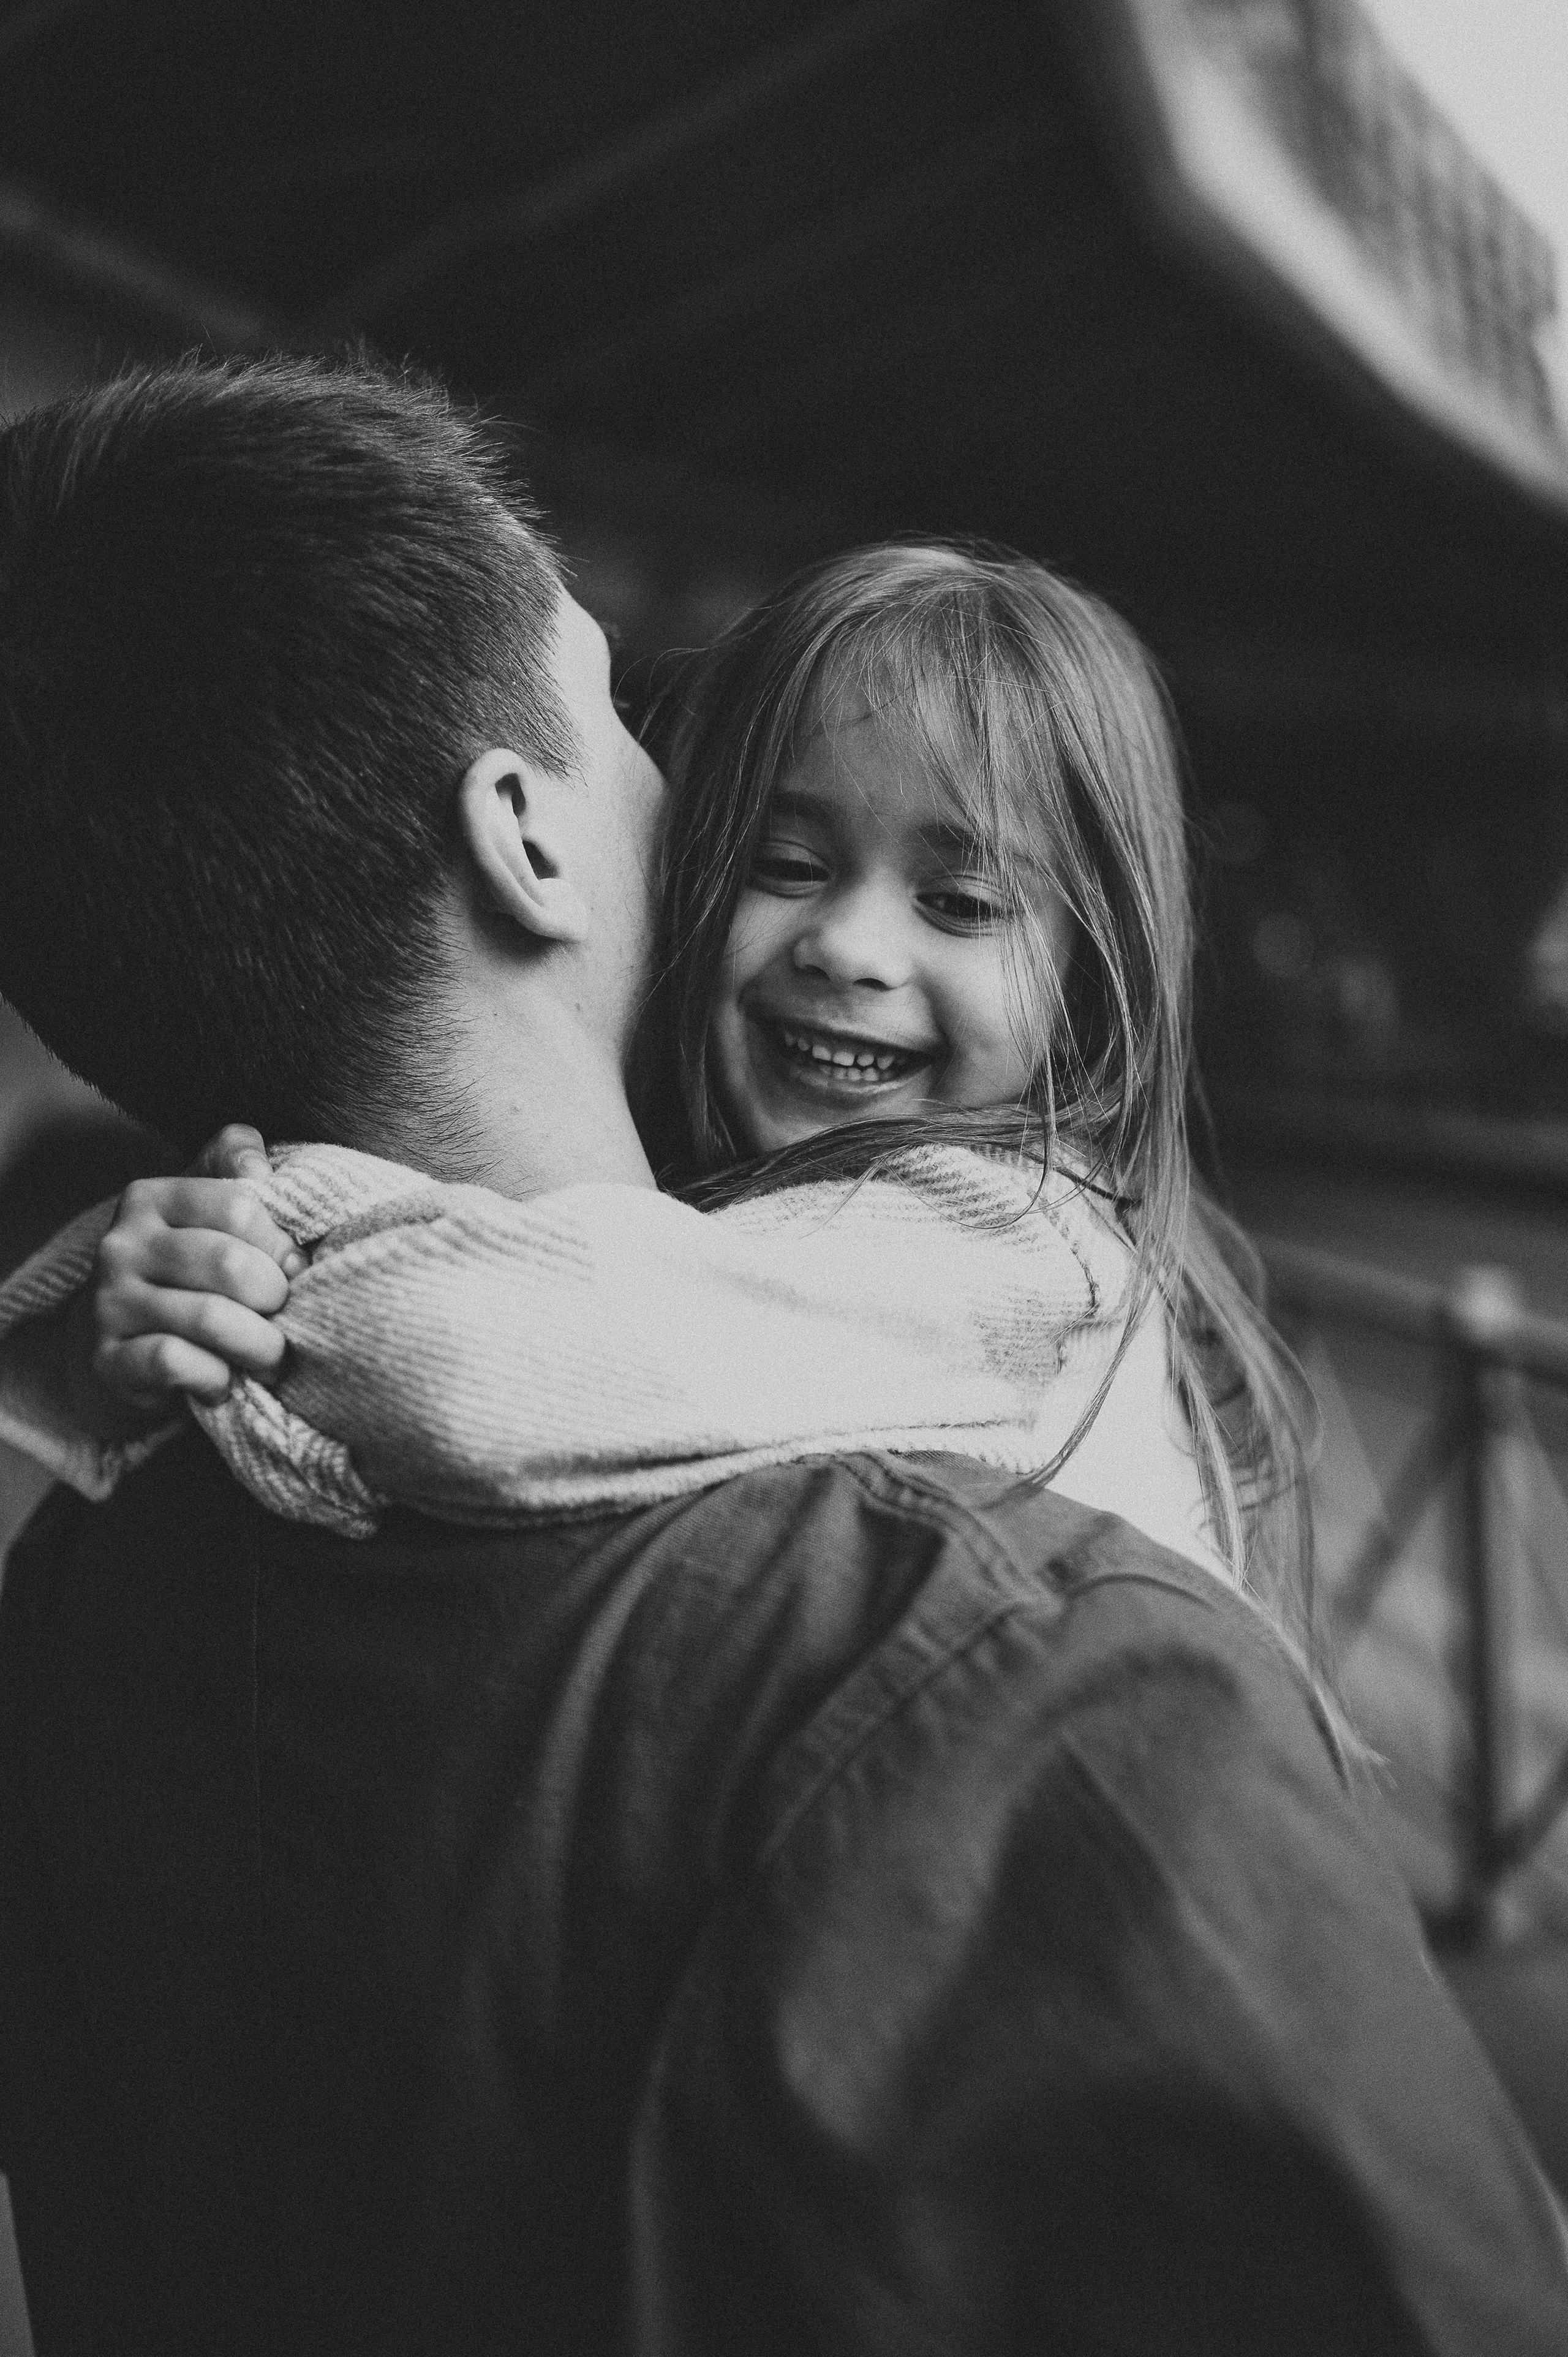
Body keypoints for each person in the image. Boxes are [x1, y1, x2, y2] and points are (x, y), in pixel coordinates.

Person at [0, 354, 1564, 2354]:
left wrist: (252, 1289)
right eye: (637, 725)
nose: (835, 936)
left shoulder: (84, 1600)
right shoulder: (1044, 1682)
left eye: (962, 893)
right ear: (528, 835)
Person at [2, 547, 1303, 1618]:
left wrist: (260, 1250)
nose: (848, 947)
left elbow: (469, 1370)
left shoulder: (1014, 1249)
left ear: (1091, 982)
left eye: (958, 902)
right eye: (784, 864)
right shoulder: (761, 1214)